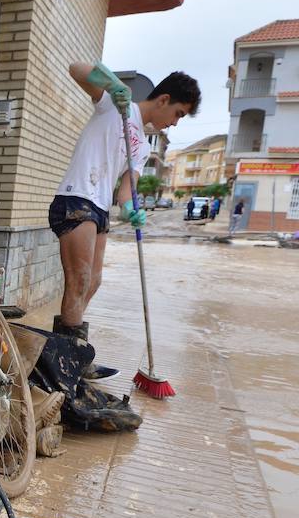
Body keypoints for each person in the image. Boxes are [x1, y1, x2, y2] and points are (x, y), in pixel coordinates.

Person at [48, 64, 201, 366]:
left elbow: (125, 191)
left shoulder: (143, 147)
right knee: (79, 280)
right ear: (163, 99)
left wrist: (132, 210)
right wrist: (113, 83)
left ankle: (65, 349)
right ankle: (69, 360)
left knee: (93, 282)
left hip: (100, 208)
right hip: (77, 197)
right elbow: (76, 69)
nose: (174, 123)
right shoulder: (115, 107)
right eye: (178, 114)